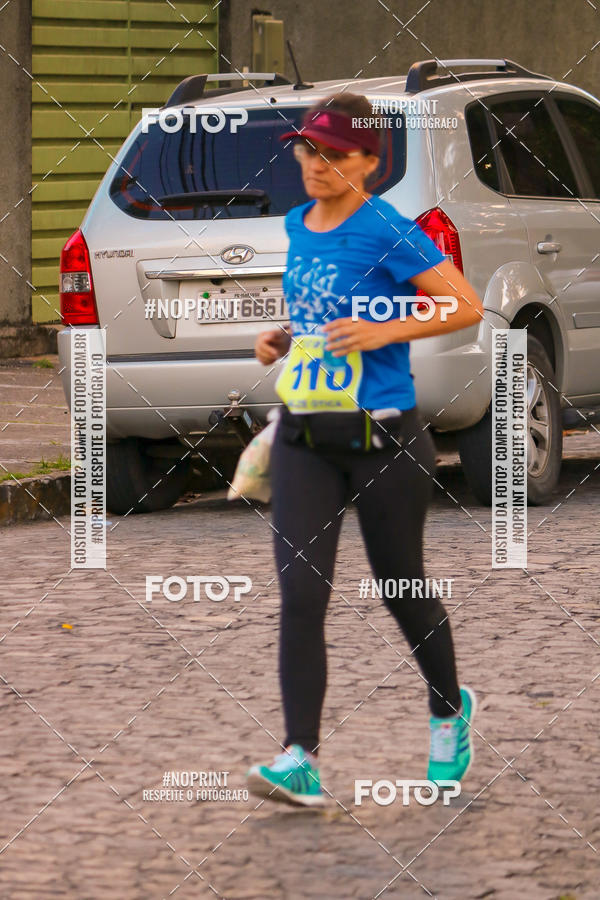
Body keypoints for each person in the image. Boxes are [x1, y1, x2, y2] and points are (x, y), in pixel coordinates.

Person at [246, 94, 484, 807]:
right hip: (304, 435)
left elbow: (463, 304)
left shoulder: (387, 227)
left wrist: (385, 330)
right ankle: (300, 759)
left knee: (401, 587)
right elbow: (318, 311)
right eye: (307, 150)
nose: (314, 166)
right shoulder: (297, 224)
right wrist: (284, 339)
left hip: (384, 439)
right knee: (301, 593)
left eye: (333, 155)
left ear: (370, 165)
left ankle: (449, 715)